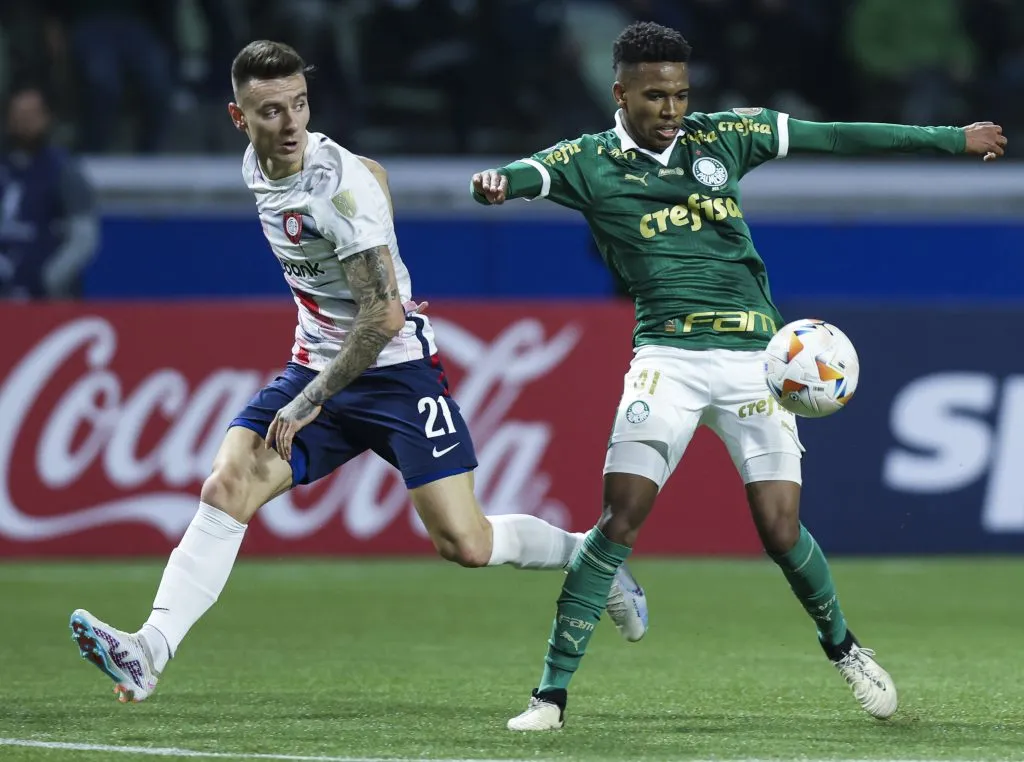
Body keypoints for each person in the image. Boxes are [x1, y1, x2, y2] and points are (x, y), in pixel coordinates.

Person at [68, 40, 648, 704]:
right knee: (228, 485)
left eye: (300, 106)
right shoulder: (262, 168)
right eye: (270, 111)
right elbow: (374, 172)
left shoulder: (335, 189)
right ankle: (149, 651)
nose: (289, 124)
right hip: (317, 362)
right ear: (239, 118)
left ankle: (591, 558)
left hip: (397, 375)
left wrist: (308, 399)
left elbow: (384, 318)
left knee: (466, 541)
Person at [471, 21, 1008, 731]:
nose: (671, 110)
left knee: (780, 529)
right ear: (620, 92)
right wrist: (494, 185)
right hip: (667, 358)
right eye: (656, 96)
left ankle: (846, 649)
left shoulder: (723, 136)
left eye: (681, 95)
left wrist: (949, 139)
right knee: (619, 517)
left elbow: (838, 137)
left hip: (758, 361)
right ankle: (550, 697)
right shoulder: (587, 160)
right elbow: (526, 175)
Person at [0, 85, 99, 299]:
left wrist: (51, 278)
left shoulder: (63, 170)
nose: (23, 123)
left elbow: (84, 237)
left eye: (30, 116)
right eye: (17, 115)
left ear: (46, 118)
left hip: (46, 298)